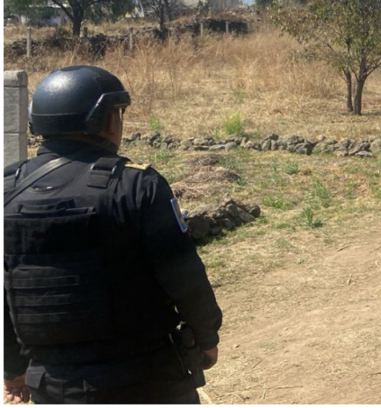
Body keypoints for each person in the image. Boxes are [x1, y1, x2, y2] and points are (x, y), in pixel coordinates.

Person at [2, 66, 223, 406]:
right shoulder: (135, 185)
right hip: (148, 378)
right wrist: (206, 337)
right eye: (118, 113)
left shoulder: (7, 190)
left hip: (55, 384)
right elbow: (184, 274)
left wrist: (13, 367)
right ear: (106, 120)